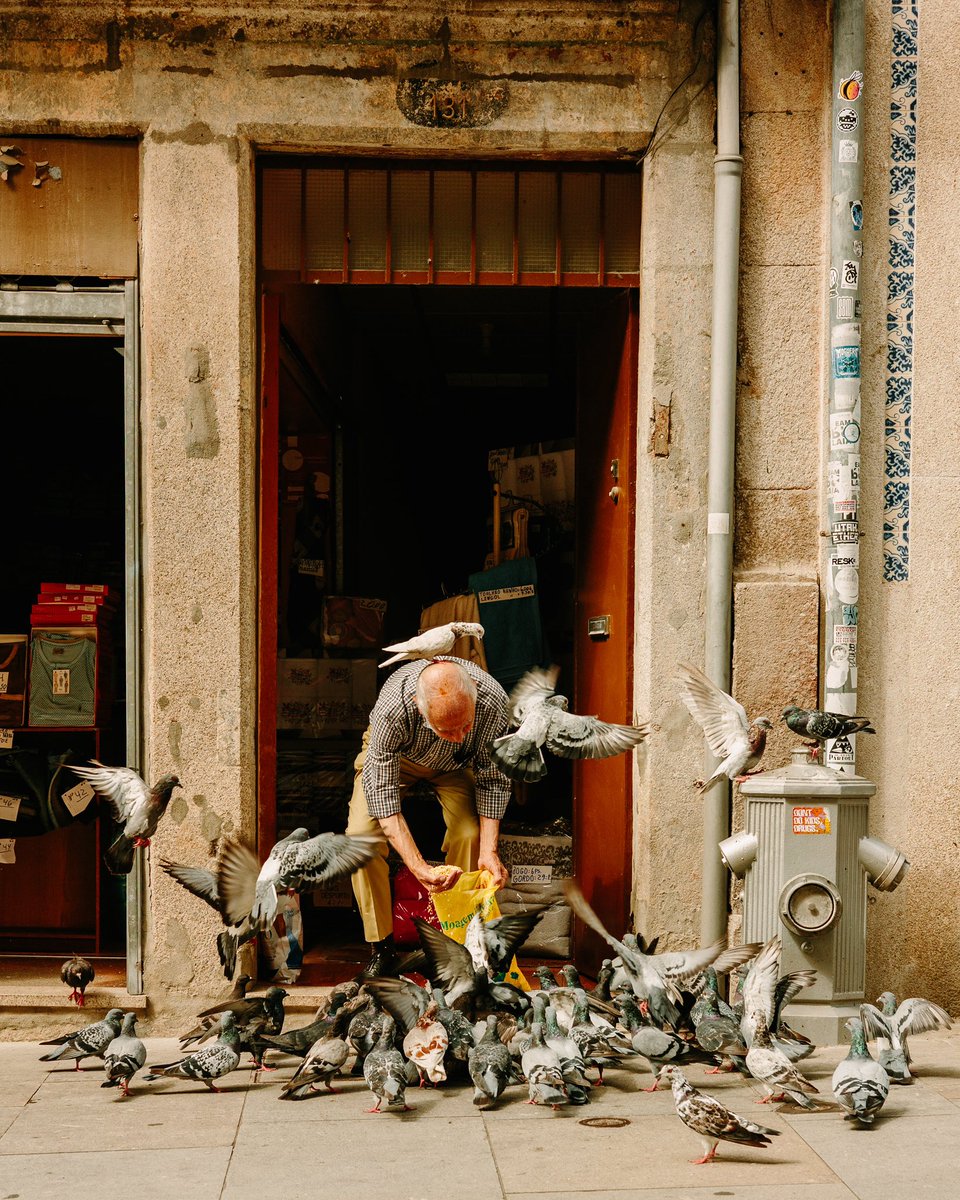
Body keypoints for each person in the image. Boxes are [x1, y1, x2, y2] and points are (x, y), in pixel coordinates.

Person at [346, 656, 512, 976]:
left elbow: (493, 776)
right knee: (361, 839)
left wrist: (489, 852)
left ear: (474, 692)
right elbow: (382, 794)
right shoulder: (392, 708)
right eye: (448, 729)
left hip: (454, 765)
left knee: (469, 835)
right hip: (399, 758)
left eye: (466, 725)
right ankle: (382, 948)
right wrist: (419, 867)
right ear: (419, 708)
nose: (461, 735)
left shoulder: (492, 701)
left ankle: (457, 942)